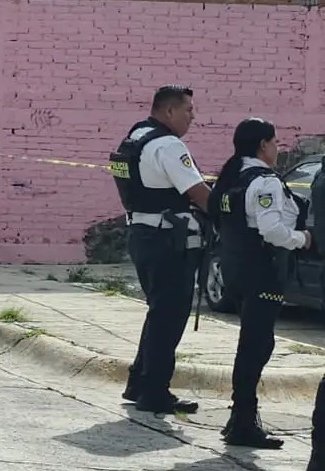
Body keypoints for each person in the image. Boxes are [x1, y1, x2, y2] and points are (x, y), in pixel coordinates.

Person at [209, 119, 311, 449]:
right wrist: (303, 239)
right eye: (276, 143)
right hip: (263, 272)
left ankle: (239, 418)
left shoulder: (231, 177)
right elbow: (273, 231)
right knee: (257, 346)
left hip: (237, 271)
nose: (278, 150)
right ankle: (243, 422)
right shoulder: (264, 182)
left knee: (250, 344)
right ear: (263, 145)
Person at [110, 85, 211, 415]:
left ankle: (139, 382)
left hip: (142, 234)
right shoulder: (169, 145)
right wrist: (231, 215)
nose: (193, 117)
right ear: (168, 111)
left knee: (159, 313)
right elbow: (197, 192)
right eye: (188, 110)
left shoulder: (136, 136)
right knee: (169, 317)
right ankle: (154, 391)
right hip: (167, 240)